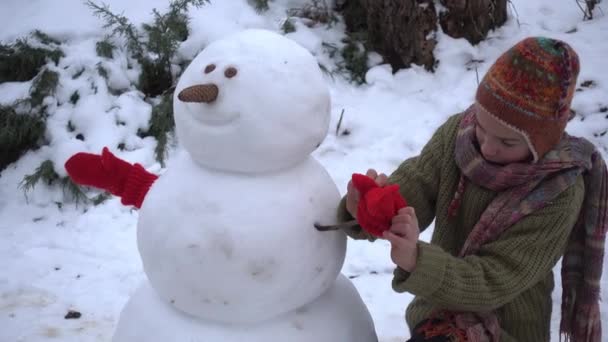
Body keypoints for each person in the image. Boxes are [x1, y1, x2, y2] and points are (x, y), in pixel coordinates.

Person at [335, 37, 607, 342]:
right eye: (482, 126)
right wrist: (370, 205)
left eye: (508, 142)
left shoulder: (558, 192)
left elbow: (494, 279)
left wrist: (417, 260)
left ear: (542, 142)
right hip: (440, 316)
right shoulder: (460, 135)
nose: (487, 147)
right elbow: (418, 185)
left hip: (505, 327)